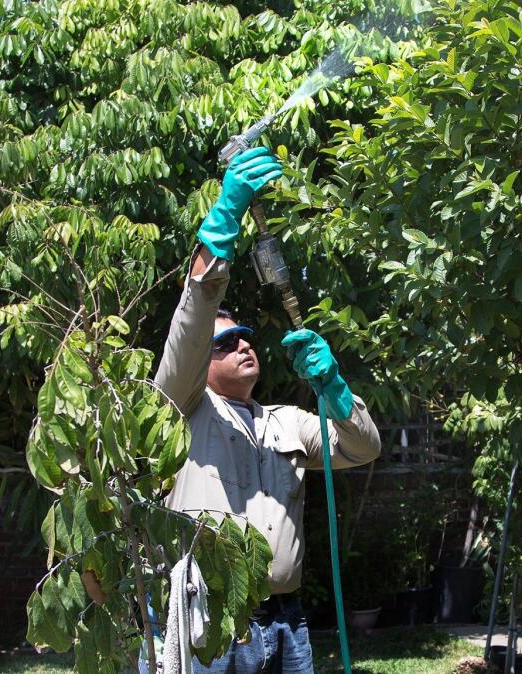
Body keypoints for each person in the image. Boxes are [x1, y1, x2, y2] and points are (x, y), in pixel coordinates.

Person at [155, 146, 382, 673]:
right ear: (201, 364)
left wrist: (334, 386)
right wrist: (223, 222)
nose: (241, 346)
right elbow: (189, 329)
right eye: (226, 343)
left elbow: (363, 447)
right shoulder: (182, 407)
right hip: (212, 617)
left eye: (245, 338)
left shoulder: (285, 421)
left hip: (287, 621)